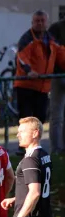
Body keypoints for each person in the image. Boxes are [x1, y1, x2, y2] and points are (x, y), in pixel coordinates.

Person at [15, 9, 65, 155]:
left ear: (46, 22)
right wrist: (29, 71)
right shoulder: (26, 39)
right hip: (26, 84)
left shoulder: (51, 39)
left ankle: (34, 146)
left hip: (42, 86)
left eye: (42, 21)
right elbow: (21, 57)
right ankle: (23, 147)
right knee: (25, 118)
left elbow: (61, 55)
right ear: (32, 22)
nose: (40, 23)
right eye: (37, 21)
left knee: (40, 117)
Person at [48, 16, 65, 154]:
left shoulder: (55, 28)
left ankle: (59, 147)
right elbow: (50, 50)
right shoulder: (55, 28)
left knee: (57, 116)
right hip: (57, 75)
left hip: (57, 74)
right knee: (57, 116)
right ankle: (56, 148)